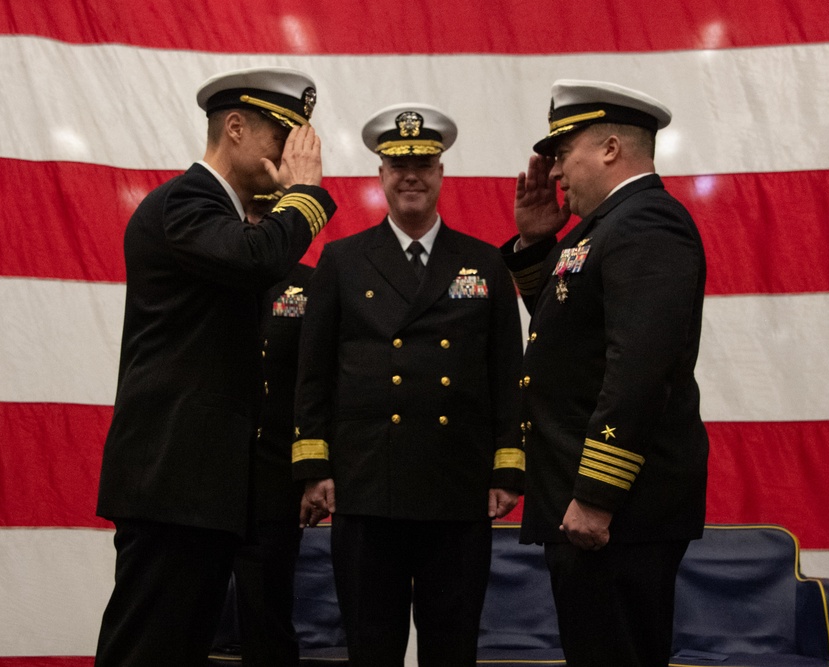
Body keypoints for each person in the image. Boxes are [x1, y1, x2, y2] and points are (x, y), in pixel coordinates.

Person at [94, 67, 336, 667]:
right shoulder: (186, 201)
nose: (289, 159)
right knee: (146, 651)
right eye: (282, 140)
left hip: (202, 491)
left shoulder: (218, 214)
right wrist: (306, 194)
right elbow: (258, 259)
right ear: (234, 127)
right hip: (171, 484)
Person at [292, 103, 524, 667]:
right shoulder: (343, 261)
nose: (411, 175)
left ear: (442, 172)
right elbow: (313, 374)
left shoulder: (484, 262)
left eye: (423, 162)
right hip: (369, 489)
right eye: (398, 165)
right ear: (381, 176)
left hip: (458, 489)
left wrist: (507, 467)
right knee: (372, 648)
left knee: (453, 648)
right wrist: (314, 467)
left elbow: (506, 373)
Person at [501, 80, 709, 667]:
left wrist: (596, 495)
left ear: (612, 148)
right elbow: (568, 330)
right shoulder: (609, 225)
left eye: (564, 154)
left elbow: (639, 370)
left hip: (617, 511)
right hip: (590, 505)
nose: (555, 172)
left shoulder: (646, 223)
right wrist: (539, 244)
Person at [213, 190, 314, 666]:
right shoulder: (210, 278)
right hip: (207, 478)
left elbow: (322, 387)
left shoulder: (311, 286)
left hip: (274, 480)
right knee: (186, 616)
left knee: (267, 616)